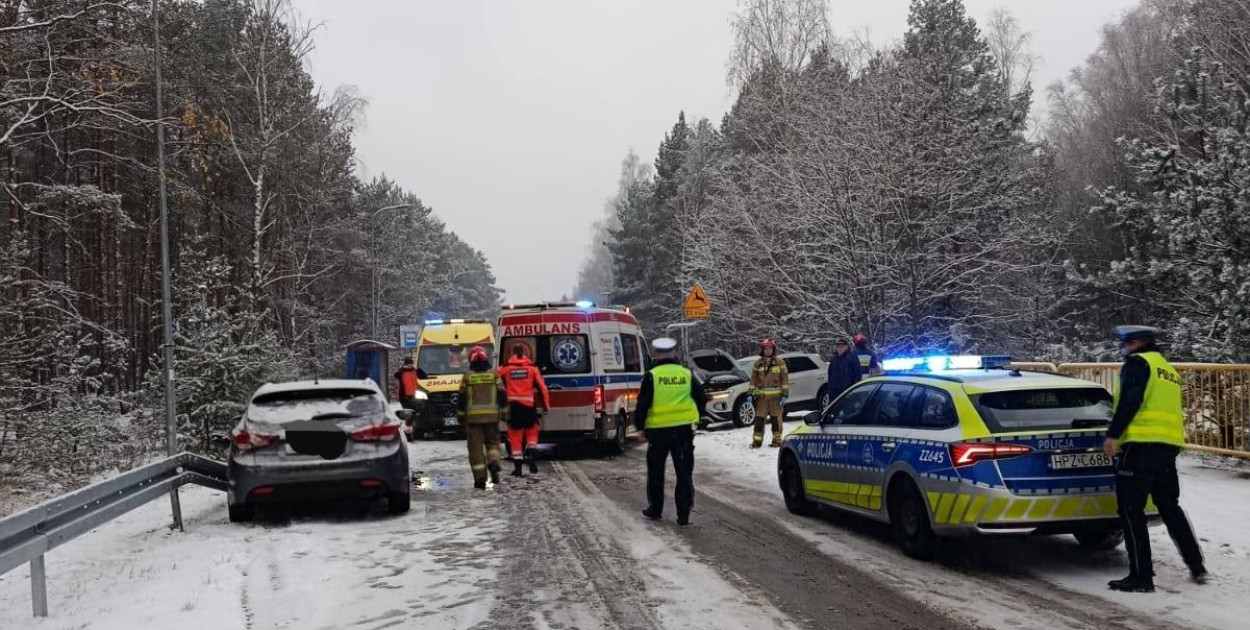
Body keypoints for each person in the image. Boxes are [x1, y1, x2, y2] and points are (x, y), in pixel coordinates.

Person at [1103, 325, 1207, 593]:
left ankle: (1141, 576)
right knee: (1169, 506)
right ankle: (1196, 565)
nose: (1123, 350)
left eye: (1125, 345)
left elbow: (1130, 401)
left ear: (1135, 343)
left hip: (1139, 445)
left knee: (1130, 509)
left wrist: (1114, 435)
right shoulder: (1167, 370)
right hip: (1167, 446)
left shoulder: (1137, 364)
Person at [635, 337, 706, 526]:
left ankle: (655, 509)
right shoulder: (686, 374)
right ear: (674, 353)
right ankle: (683, 514)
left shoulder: (652, 375)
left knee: (656, 471)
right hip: (683, 431)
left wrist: (640, 427)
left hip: (658, 432)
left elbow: (643, 403)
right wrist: (698, 416)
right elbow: (701, 396)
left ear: (657, 355)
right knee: (683, 473)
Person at [456, 346, 506, 489]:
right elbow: (502, 394)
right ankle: (494, 462)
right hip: (492, 418)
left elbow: (461, 399)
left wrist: (460, 416)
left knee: (476, 449)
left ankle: (480, 479)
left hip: (473, 421)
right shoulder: (494, 375)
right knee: (493, 444)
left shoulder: (467, 377)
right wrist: (505, 412)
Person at [498, 344, 550, 477]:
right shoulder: (532, 369)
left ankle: (518, 468)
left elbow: (494, 378)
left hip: (513, 407)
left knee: (515, 438)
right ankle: (531, 453)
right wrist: (546, 406)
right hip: (528, 406)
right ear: (525, 353)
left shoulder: (506, 369)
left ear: (513, 353)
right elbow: (543, 389)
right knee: (532, 432)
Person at [750, 339, 789, 449]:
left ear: (773, 349)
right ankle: (756, 442)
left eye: (770, 348)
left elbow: (785, 380)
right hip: (761, 399)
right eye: (765, 349)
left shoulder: (780, 363)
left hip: (775, 399)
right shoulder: (758, 363)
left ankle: (777, 441)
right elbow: (753, 379)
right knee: (759, 421)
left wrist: (785, 395)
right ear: (763, 350)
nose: (767, 351)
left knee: (776, 421)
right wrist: (750, 393)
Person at [826, 337, 861, 402]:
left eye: (842, 346)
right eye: (838, 347)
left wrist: (852, 389)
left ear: (846, 347)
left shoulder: (852, 358)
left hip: (846, 391)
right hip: (834, 390)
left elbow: (857, 375)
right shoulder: (834, 359)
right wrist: (830, 387)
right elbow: (830, 373)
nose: (840, 348)